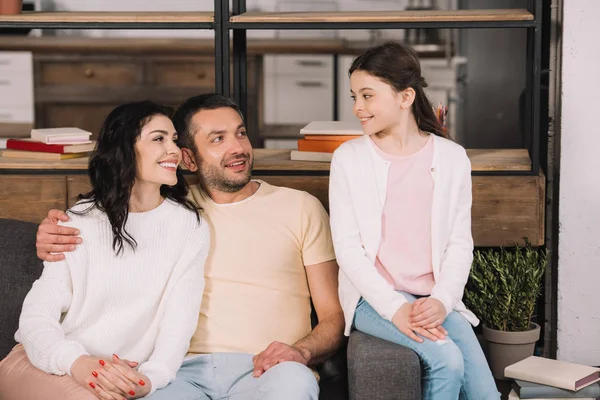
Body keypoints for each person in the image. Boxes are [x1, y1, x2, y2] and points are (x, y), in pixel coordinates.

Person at [30, 94, 345, 400]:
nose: (238, 148)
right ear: (189, 158)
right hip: (178, 372)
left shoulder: (300, 207)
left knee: (295, 385)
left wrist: (300, 351)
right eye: (217, 139)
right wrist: (53, 233)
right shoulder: (170, 213)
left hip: (270, 369)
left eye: (241, 133)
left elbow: (333, 316)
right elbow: (110, 216)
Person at [0, 101, 210, 400]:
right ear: (125, 148)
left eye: (174, 139)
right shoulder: (79, 220)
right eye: (158, 138)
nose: (173, 150)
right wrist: (76, 362)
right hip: (45, 362)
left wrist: (151, 379)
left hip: (117, 374)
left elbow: (179, 321)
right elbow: (36, 317)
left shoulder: (190, 227)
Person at [329, 41, 500, 399]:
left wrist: (442, 300)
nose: (357, 107)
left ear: (405, 97)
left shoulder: (453, 159)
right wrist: (396, 309)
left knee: (484, 394)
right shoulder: (349, 158)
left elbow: (458, 243)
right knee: (448, 361)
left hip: (432, 297)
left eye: (367, 95)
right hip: (373, 299)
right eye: (354, 96)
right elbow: (347, 249)